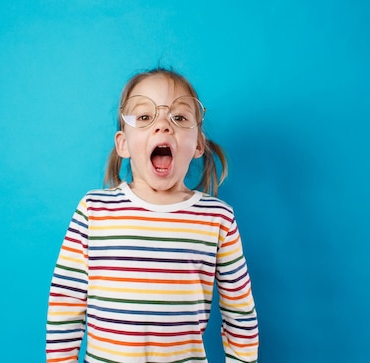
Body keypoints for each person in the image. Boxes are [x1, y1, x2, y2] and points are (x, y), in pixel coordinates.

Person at [46, 67, 259, 362]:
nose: (163, 125)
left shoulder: (218, 219)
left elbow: (240, 314)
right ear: (123, 144)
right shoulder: (94, 211)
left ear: (198, 144)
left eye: (180, 117)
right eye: (145, 117)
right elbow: (65, 305)